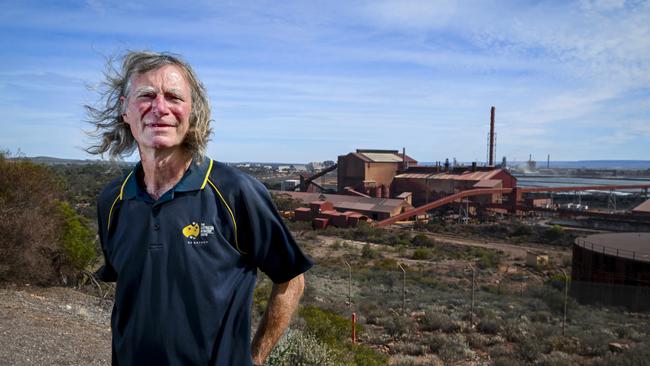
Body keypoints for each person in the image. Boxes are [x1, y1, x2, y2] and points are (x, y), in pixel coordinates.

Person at [86, 51, 313, 366]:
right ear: (125, 109)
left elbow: (291, 279)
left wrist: (256, 358)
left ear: (192, 113)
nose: (160, 108)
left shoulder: (236, 192)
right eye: (146, 95)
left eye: (174, 97)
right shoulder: (113, 200)